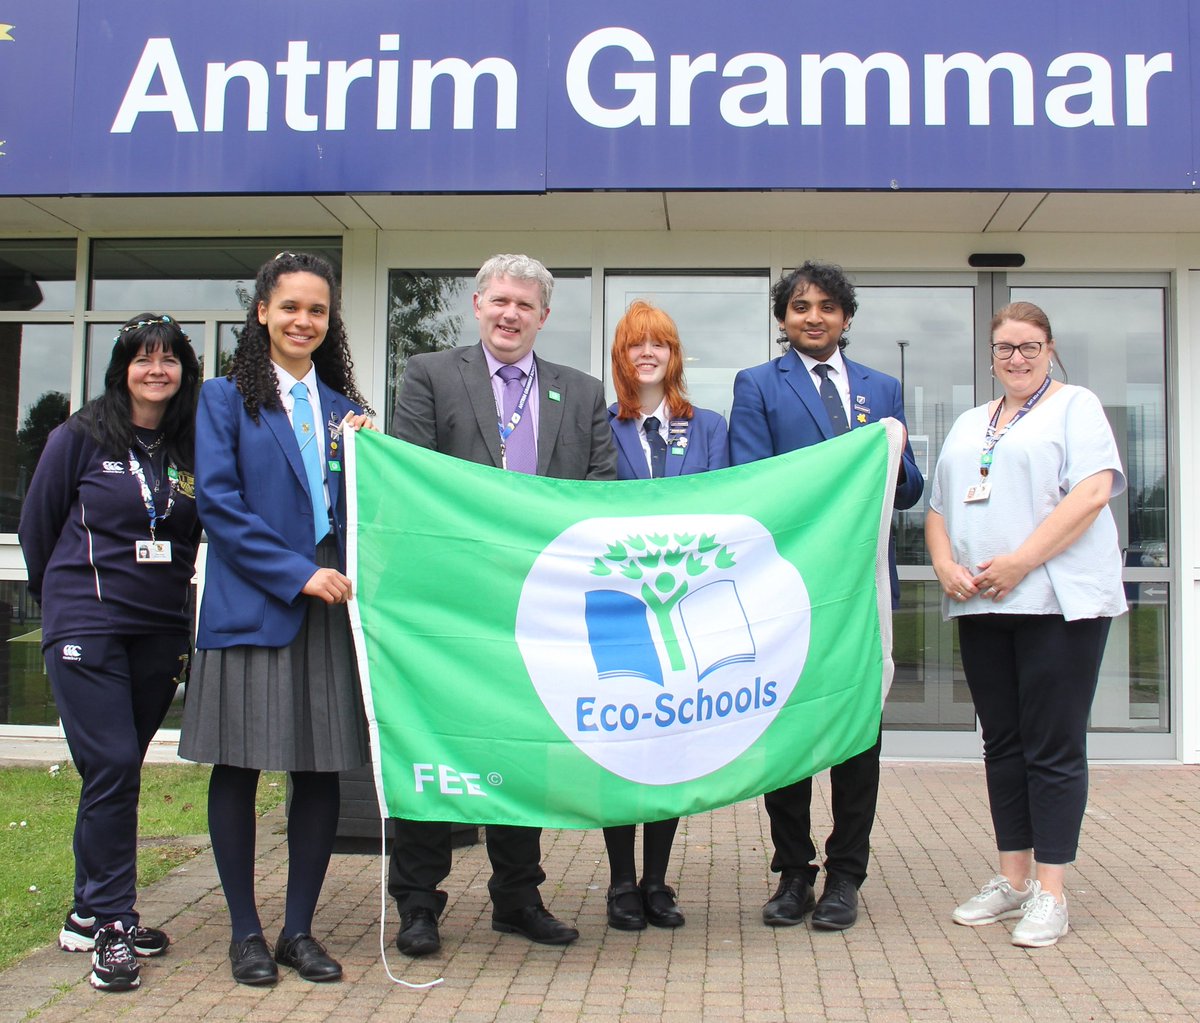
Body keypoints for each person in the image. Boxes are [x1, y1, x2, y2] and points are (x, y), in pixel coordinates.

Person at [388, 253, 617, 956]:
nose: (510, 314)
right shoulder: (427, 375)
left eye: (525, 304)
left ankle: (517, 896)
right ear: (477, 304)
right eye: (499, 301)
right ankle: (419, 903)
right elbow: (414, 478)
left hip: (539, 611)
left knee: (524, 752)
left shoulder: (581, 393)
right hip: (450, 606)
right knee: (434, 750)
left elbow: (600, 494)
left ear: (544, 316)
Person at [179, 252, 373, 985]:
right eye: (290, 306)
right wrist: (299, 574)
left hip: (328, 614)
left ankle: (298, 930)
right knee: (238, 766)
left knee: (318, 769)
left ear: (330, 321)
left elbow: (356, 516)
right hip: (256, 606)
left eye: (317, 310)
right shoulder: (225, 400)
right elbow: (220, 508)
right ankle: (245, 933)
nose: (303, 320)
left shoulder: (341, 410)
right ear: (262, 311)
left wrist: (366, 455)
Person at [729, 261, 923, 931]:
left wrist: (885, 461)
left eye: (828, 307)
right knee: (787, 733)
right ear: (783, 318)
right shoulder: (757, 385)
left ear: (846, 317)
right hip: (788, 592)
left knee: (855, 740)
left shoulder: (882, 385)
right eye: (801, 306)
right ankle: (793, 873)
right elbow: (754, 480)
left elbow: (908, 486)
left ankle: (846, 876)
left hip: (861, 598)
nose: (815, 316)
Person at [926, 301, 1126, 948]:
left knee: (1053, 745)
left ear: (1050, 347)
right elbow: (936, 506)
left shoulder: (1077, 407)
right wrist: (942, 563)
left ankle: (1051, 890)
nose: (1017, 356)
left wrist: (1019, 562)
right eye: (1006, 346)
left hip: (1055, 603)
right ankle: (1011, 878)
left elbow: (1091, 494)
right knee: (1002, 744)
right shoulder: (968, 422)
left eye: (1030, 346)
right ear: (991, 353)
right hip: (984, 606)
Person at [19, 314, 201, 992]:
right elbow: (37, 528)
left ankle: (85, 911)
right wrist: (65, 605)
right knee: (115, 762)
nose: (157, 370)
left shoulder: (187, 448)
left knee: (115, 773)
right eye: (143, 358)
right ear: (121, 367)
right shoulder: (81, 436)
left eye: (169, 360)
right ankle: (111, 923)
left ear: (185, 370)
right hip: (88, 624)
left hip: (158, 629)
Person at [601, 299, 729, 931]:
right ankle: (620, 882)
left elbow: (727, 504)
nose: (648, 354)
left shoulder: (708, 427)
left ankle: (657, 881)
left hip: (685, 607)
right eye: (635, 345)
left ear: (675, 356)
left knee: (671, 745)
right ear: (622, 358)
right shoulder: (602, 427)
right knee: (622, 742)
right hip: (621, 607)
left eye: (660, 345)